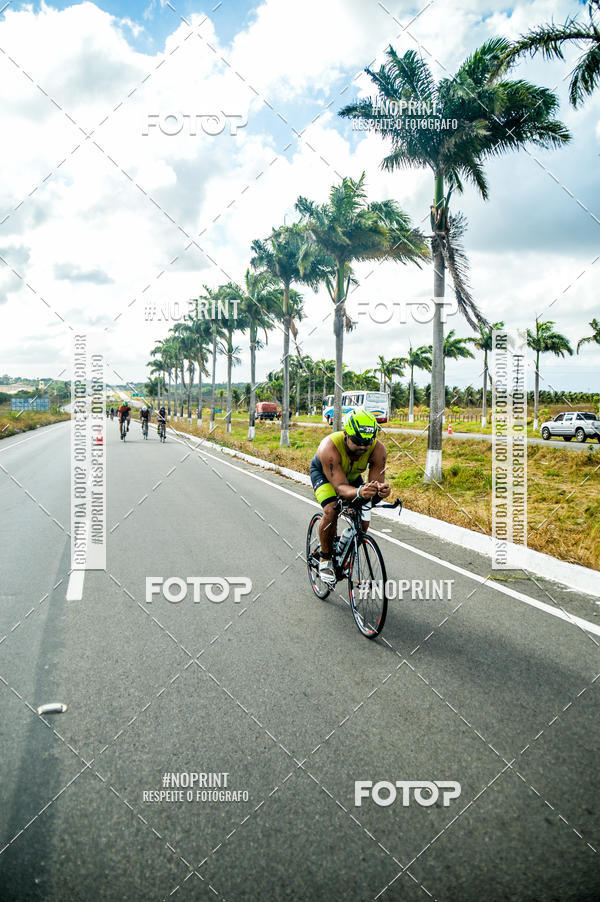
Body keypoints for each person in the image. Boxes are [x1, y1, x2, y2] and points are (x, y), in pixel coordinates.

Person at [309, 407, 390, 584]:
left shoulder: (378, 449)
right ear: (346, 433)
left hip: (352, 478)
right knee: (331, 510)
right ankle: (325, 558)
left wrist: (381, 491)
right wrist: (359, 492)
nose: (363, 446)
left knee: (363, 522)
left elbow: (375, 484)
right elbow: (339, 488)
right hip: (325, 475)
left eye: (368, 442)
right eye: (358, 441)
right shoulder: (329, 447)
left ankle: (345, 544)